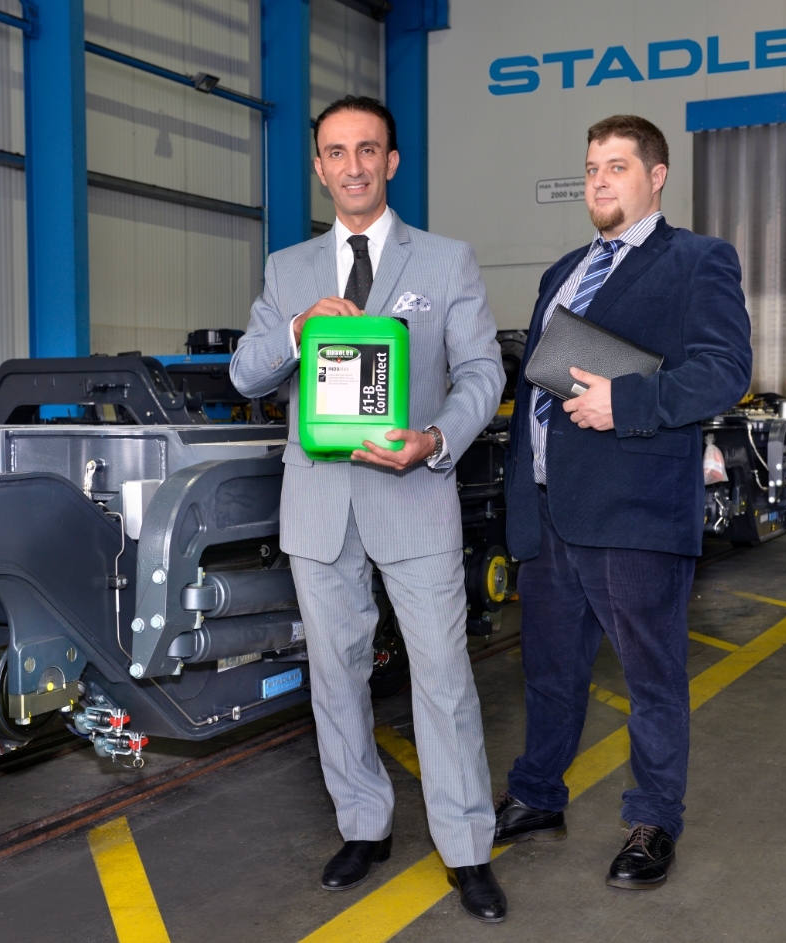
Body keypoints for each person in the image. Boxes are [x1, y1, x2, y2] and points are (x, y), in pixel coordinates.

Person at [230, 96, 508, 922]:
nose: (351, 165)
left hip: (413, 495)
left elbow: (482, 372)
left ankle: (466, 846)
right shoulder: (287, 269)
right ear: (319, 167)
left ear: (391, 161)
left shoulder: (446, 261)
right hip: (319, 504)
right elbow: (246, 374)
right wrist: (295, 329)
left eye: (367, 149)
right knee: (335, 678)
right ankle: (363, 823)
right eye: (335, 151)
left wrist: (435, 438)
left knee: (444, 678)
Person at [493, 115, 753, 888]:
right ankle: (537, 794)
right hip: (547, 504)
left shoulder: (698, 260)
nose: (599, 181)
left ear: (656, 175)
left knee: (649, 676)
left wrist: (626, 400)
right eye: (590, 168)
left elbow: (724, 370)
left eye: (616, 166)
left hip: (633, 507)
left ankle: (652, 818)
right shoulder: (562, 271)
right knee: (549, 668)